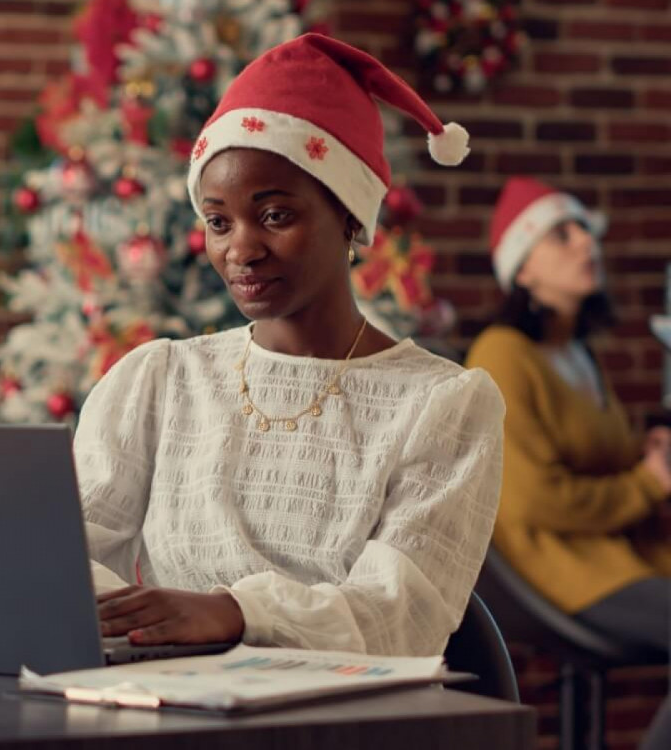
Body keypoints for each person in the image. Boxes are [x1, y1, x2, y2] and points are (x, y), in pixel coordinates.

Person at [75, 34, 505, 657]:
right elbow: (59, 555)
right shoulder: (160, 381)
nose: (240, 250)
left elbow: (404, 615)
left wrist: (233, 613)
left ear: (351, 218)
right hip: (163, 702)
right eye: (218, 222)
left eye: (275, 215)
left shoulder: (443, 405)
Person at [465, 177, 670, 749]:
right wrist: (649, 482)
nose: (586, 242)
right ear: (522, 270)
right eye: (563, 234)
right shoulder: (502, 353)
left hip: (612, 556)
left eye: (585, 229)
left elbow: (601, 460)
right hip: (554, 567)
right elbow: (536, 498)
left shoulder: (578, 352)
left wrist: (647, 456)